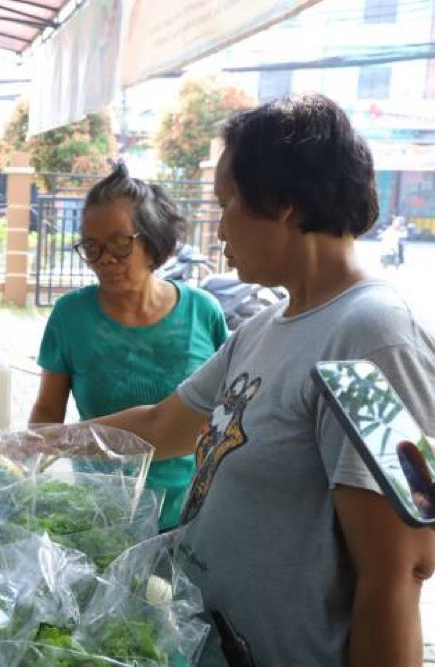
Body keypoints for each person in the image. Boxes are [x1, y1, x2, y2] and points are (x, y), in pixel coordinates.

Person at [84, 95, 435, 664]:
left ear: (284, 204)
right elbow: (162, 425)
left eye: (227, 203)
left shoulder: (372, 336)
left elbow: (399, 571)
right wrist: (32, 442)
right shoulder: (265, 328)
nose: (220, 227)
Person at [31, 163, 228, 531]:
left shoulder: (203, 312)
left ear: (152, 242)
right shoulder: (71, 315)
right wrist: (28, 475)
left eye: (120, 244)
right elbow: (47, 410)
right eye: (92, 247)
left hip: (191, 515)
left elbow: (225, 416)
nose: (105, 258)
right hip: (99, 517)